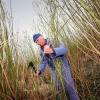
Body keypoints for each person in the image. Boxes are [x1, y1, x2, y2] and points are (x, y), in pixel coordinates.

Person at [33, 33, 79, 100]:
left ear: (41, 36)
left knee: (70, 87)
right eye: (36, 42)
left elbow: (64, 49)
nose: (37, 43)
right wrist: (39, 71)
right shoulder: (41, 51)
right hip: (54, 71)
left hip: (63, 67)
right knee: (59, 89)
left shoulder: (53, 41)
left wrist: (52, 50)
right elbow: (43, 62)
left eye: (37, 40)